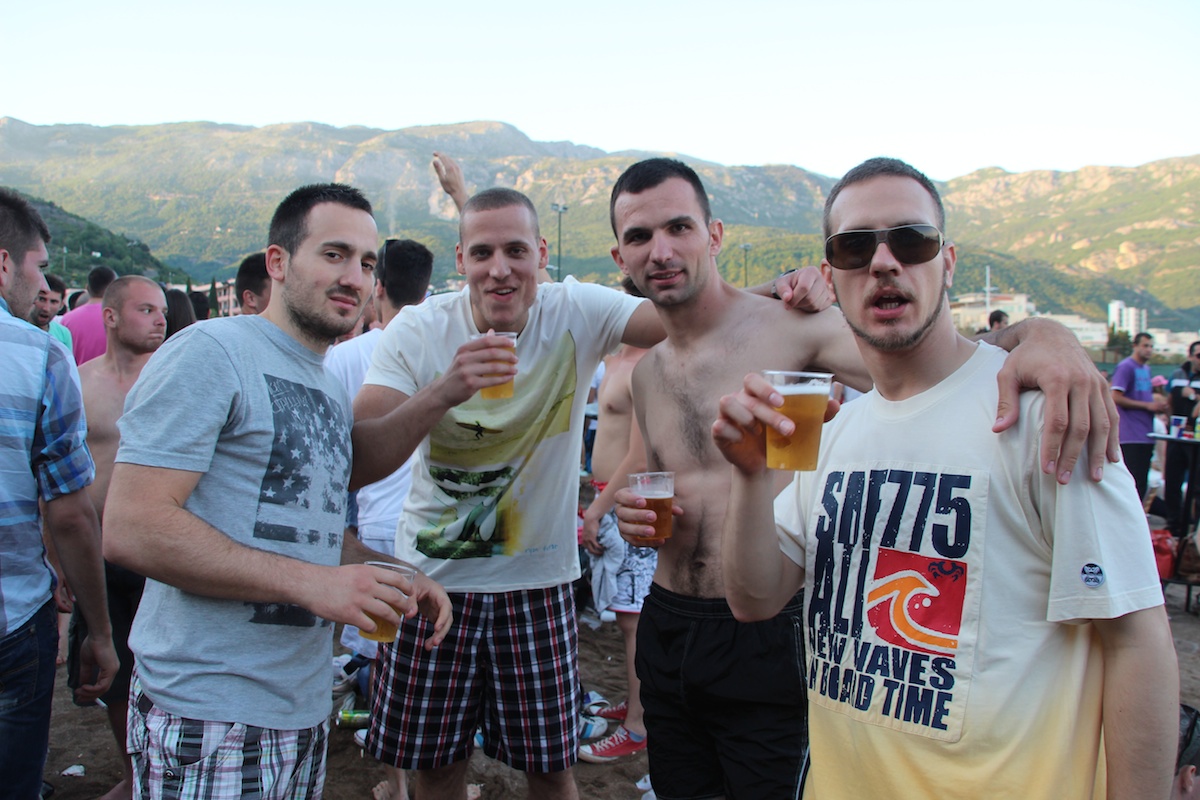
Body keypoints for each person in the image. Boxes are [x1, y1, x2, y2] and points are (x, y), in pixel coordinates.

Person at [607, 157, 1122, 799]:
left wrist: (1044, 336)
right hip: (668, 619)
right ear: (620, 256)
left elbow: (929, 354)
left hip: (769, 622)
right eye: (640, 237)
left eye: (679, 227)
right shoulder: (648, 372)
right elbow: (659, 478)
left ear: (713, 235)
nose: (661, 250)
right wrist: (630, 514)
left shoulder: (795, 330)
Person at [103, 183, 453, 800]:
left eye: (367, 263)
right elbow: (133, 527)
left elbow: (302, 530)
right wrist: (314, 585)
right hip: (211, 711)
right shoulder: (213, 352)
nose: (354, 277)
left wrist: (390, 571)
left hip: (299, 706)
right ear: (278, 262)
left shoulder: (324, 384)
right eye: (334, 254)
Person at [0, 187, 118, 800]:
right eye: (39, 266)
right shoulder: (36, 355)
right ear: (4, 263)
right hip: (12, 620)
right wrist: (98, 629)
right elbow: (69, 512)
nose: (43, 282)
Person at [326, 238, 434, 800]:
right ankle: (437, 778)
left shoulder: (347, 356)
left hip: (374, 526)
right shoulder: (442, 344)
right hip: (436, 525)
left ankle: (397, 783)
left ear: (379, 289)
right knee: (433, 658)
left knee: (388, 660)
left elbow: (335, 450)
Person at [72, 275, 167, 800]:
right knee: (111, 669)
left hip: (159, 549)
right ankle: (133, 775)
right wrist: (59, 560)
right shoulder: (80, 383)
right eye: (145, 310)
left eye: (161, 310)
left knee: (162, 665)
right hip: (98, 551)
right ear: (110, 316)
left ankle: (160, 770)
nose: (160, 319)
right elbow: (56, 482)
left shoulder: (174, 378)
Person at [578, 278, 655, 764]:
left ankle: (637, 725)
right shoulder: (615, 358)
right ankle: (635, 704)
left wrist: (597, 509)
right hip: (607, 497)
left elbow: (641, 455)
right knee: (627, 615)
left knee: (632, 622)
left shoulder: (647, 363)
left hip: (624, 501)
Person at [1113, 331, 1169, 504]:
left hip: (1146, 433)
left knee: (1141, 484)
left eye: (1151, 346)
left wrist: (1157, 406)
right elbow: (1115, 397)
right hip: (1130, 434)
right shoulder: (1126, 367)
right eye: (1145, 345)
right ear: (1135, 346)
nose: (1149, 350)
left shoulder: (1146, 369)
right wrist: (1147, 406)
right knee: (1131, 482)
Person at [1166, 341, 1200, 535]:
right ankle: (1174, 527)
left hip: (1196, 436)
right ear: (1191, 356)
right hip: (1178, 434)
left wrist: (1194, 397)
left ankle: (1195, 530)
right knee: (1172, 481)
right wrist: (1170, 420)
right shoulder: (1178, 374)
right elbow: (1170, 400)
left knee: (1197, 485)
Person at [61, 264, 118, 364]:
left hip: (76, 373)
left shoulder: (67, 319)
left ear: (87, 288)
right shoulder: (117, 318)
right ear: (113, 289)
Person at [29, 271, 73, 350]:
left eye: (53, 302)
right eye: (42, 299)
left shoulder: (63, 334)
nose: (46, 308)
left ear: (61, 305)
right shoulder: (17, 328)